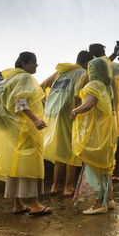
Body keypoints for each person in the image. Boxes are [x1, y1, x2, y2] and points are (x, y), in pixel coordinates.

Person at [0, 52, 52, 216]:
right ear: (24, 64)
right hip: (24, 130)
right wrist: (35, 120)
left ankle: (17, 204)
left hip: (9, 131)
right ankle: (35, 204)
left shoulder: (7, 80)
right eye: (33, 62)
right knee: (31, 165)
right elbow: (20, 102)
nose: (36, 66)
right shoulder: (24, 78)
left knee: (14, 166)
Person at [41, 51, 93, 196]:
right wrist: (77, 112)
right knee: (72, 149)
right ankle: (68, 187)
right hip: (70, 113)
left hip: (53, 112)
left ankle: (55, 186)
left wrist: (46, 104)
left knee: (60, 149)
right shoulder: (82, 73)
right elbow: (78, 95)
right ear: (88, 63)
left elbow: (42, 85)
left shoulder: (61, 71)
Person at [70, 57, 117, 215]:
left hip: (96, 133)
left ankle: (98, 204)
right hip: (107, 132)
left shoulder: (92, 86)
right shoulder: (106, 87)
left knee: (93, 167)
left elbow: (89, 104)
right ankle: (109, 199)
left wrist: (75, 111)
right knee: (105, 167)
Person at [88, 43, 119, 182]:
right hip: (108, 108)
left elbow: (104, 63)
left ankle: (100, 175)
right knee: (109, 143)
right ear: (102, 52)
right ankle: (108, 174)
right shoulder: (108, 66)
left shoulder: (91, 65)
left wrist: (114, 54)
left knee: (97, 143)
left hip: (93, 109)